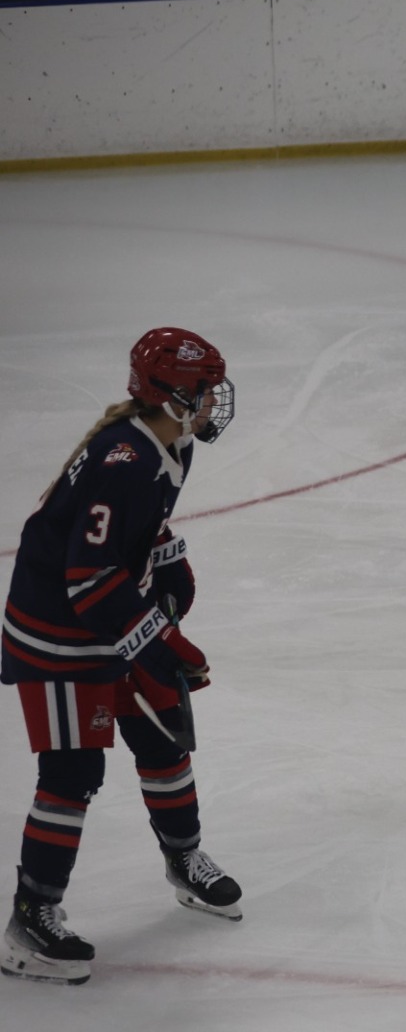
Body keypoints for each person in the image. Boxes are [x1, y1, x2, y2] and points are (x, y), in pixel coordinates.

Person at [3, 328, 243, 985]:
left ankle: (184, 860)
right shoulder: (123, 461)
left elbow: (139, 529)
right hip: (57, 633)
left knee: (165, 739)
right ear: (168, 394)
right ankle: (31, 917)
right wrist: (167, 642)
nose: (212, 401)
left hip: (108, 613)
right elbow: (88, 578)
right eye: (203, 390)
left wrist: (167, 563)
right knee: (72, 773)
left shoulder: (172, 445)